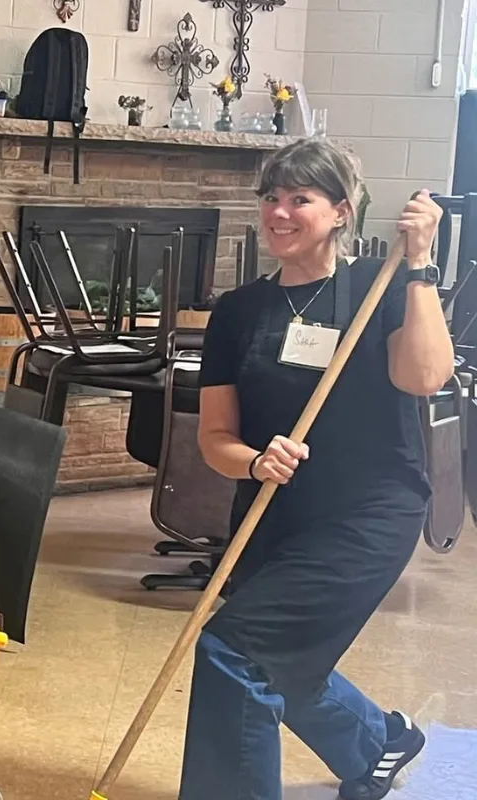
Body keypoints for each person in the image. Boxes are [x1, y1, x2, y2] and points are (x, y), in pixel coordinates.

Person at [181, 137, 454, 799]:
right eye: (271, 198)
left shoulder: (377, 288)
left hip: (368, 511)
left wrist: (419, 266)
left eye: (299, 198)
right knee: (278, 660)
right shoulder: (238, 312)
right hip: (275, 511)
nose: (279, 212)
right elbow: (215, 437)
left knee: (234, 650)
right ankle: (379, 742)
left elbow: (423, 376)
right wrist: (255, 460)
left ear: (340, 210)